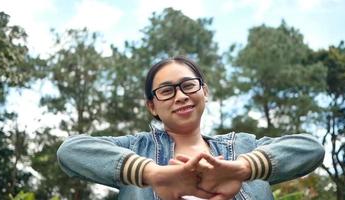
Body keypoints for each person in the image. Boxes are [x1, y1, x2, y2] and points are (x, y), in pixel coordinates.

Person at [57, 56, 325, 200]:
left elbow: (310, 149)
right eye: (166, 90)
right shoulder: (136, 148)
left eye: (188, 85)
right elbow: (71, 151)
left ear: (204, 92)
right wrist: (153, 174)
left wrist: (244, 168)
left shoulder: (243, 146)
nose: (181, 96)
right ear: (152, 106)